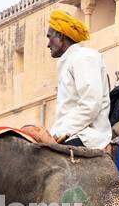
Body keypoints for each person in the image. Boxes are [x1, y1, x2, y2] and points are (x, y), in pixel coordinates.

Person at [46, 9, 111, 149]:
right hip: (70, 133)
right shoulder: (70, 61)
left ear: (61, 36)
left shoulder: (84, 57)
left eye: (49, 37)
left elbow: (90, 104)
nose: (48, 44)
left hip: (87, 136)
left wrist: (59, 133)